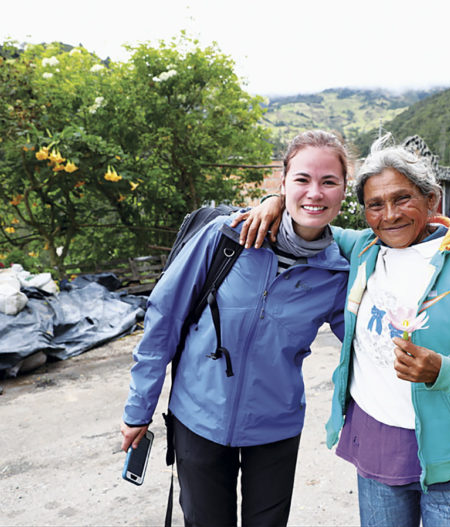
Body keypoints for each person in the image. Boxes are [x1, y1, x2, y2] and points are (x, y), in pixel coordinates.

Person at [240, 134, 450, 527]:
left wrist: (444, 371)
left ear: (432, 200)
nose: (390, 215)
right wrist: (274, 201)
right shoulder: (363, 249)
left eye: (402, 199)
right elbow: (311, 219)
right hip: (378, 451)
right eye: (375, 205)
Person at [120, 130, 351, 527]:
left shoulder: (336, 273)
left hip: (276, 427)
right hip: (198, 418)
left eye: (328, 181)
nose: (315, 192)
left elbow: (362, 345)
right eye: (302, 179)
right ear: (283, 184)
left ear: (344, 192)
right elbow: (164, 319)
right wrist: (139, 408)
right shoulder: (227, 237)